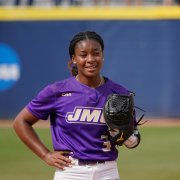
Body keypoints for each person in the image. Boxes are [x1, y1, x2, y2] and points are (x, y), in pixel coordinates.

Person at [13, 31, 141, 180]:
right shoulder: (58, 91)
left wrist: (124, 136)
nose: (91, 59)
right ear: (74, 59)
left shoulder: (119, 94)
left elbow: (134, 141)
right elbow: (21, 122)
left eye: (96, 53)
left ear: (103, 55)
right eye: (83, 55)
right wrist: (45, 154)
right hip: (71, 171)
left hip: (108, 171)